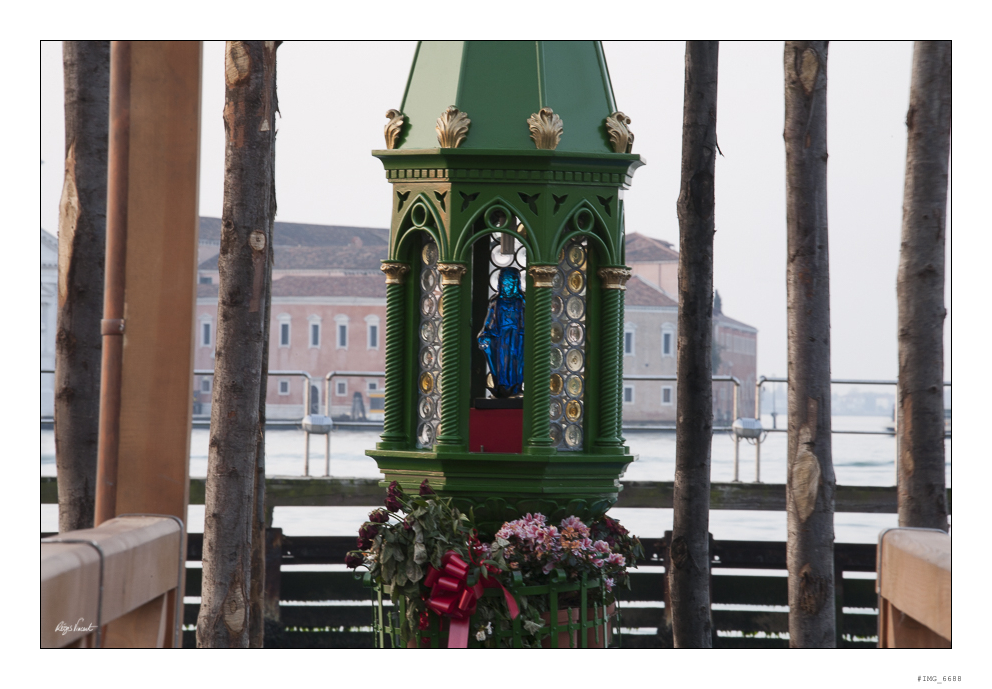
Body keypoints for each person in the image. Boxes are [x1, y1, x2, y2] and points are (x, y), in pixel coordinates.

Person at [478, 268, 525, 397]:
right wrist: (485, 335)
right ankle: (501, 387)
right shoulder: (496, 302)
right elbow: (489, 322)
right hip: (501, 338)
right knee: (502, 364)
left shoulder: (521, 302)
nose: (507, 288)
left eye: (510, 285)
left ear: (516, 285)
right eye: (504, 284)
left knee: (516, 363)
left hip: (517, 338)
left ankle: (516, 388)